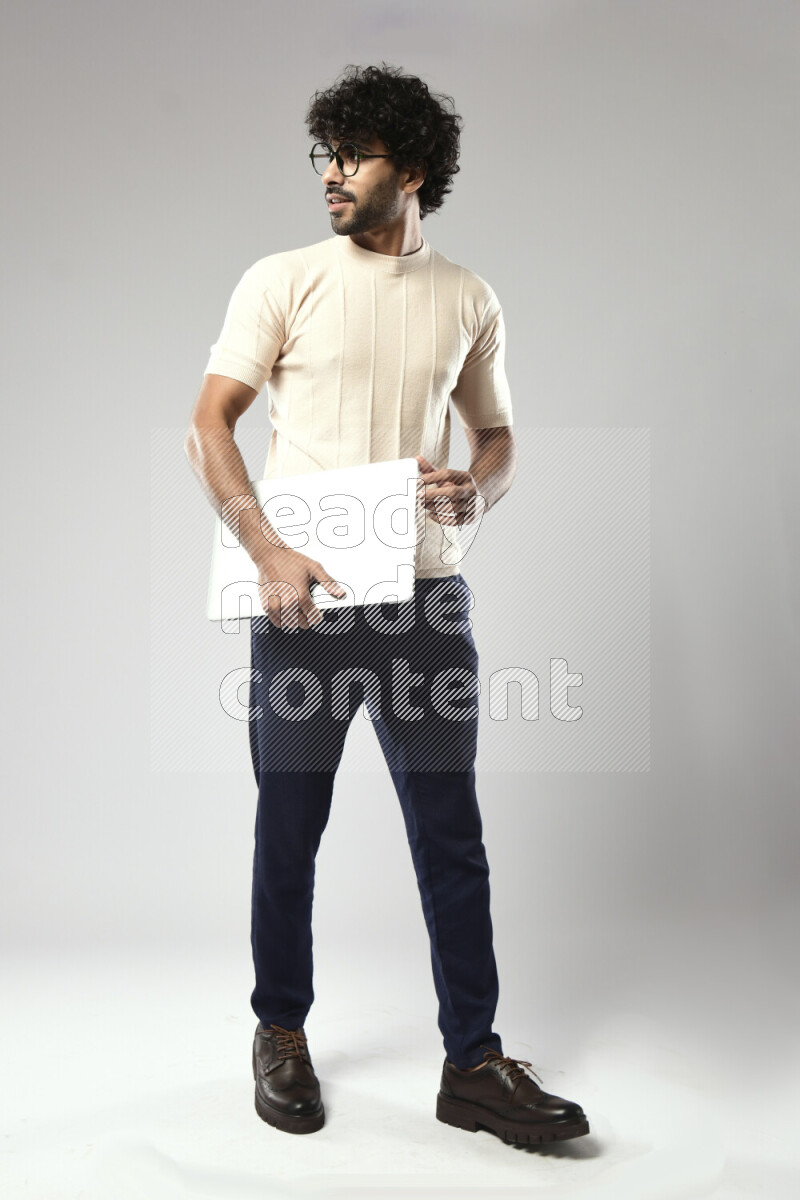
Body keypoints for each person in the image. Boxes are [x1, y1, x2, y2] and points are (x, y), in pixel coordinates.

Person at [185, 62, 589, 1145]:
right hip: (305, 607)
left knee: (449, 834)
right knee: (290, 827)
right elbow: (209, 423)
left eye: (352, 156)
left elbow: (496, 440)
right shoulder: (282, 278)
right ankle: (279, 1032)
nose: (330, 174)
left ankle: (473, 1064)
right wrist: (264, 547)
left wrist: (478, 486)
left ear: (410, 170)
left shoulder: (468, 296)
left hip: (422, 603)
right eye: (324, 153)